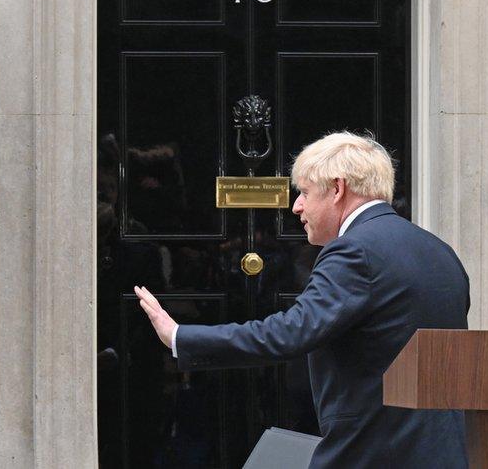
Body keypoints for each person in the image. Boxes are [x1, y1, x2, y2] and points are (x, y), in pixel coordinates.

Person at [135, 131, 470, 468]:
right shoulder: (441, 252)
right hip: (444, 454)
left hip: (372, 454)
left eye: (305, 193)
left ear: (338, 189)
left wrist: (181, 337)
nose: (296, 206)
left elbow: (291, 332)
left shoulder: (353, 250)